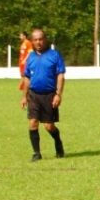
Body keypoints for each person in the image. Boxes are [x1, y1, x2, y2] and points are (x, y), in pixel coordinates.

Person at [19, 27, 66, 162]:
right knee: (33, 123)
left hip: (49, 95)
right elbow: (27, 78)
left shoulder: (54, 55)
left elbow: (61, 76)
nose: (38, 42)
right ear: (32, 41)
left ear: (45, 40)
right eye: (35, 40)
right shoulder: (31, 57)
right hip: (34, 95)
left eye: (41, 39)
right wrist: (24, 96)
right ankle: (36, 153)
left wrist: (58, 94)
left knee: (48, 126)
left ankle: (58, 141)